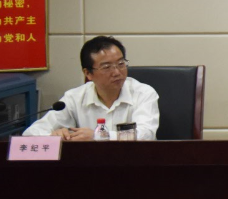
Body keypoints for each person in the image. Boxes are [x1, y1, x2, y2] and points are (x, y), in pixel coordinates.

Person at [23, 36, 160, 140]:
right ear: (88, 73)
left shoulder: (143, 93)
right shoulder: (74, 98)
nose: (117, 72)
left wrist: (98, 136)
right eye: (106, 67)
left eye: (121, 64)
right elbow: (30, 134)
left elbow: (145, 134)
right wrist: (55, 136)